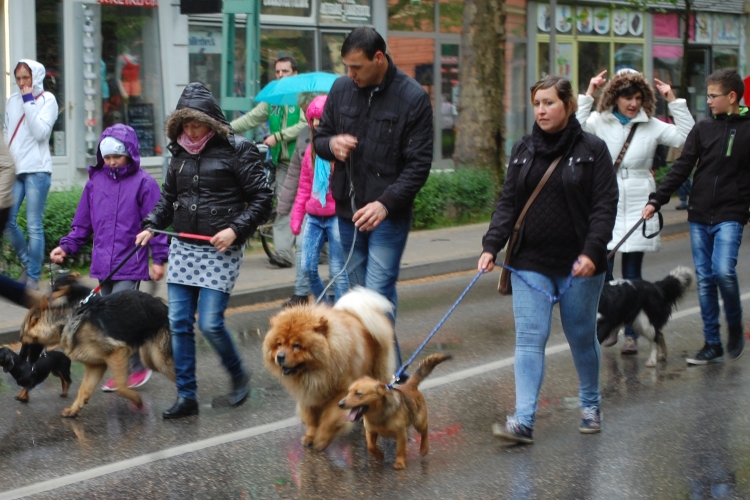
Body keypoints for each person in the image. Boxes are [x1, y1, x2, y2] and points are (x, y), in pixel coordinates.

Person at [479, 75, 617, 444]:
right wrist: (491, 245)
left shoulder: (593, 149)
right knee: (528, 338)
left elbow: (605, 207)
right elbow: (508, 203)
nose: (541, 110)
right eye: (537, 103)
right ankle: (523, 420)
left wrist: (591, 252)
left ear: (568, 105)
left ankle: (590, 403)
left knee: (581, 337)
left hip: (579, 266)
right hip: (530, 263)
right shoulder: (523, 149)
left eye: (549, 103)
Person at [138, 82, 273, 419]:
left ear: (211, 122)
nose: (191, 130)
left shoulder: (239, 149)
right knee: (178, 322)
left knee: (211, 323)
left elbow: (262, 199)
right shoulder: (179, 152)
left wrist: (235, 229)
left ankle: (239, 373)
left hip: (221, 247)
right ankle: (187, 396)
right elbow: (169, 199)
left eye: (197, 123)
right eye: (185, 124)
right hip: (184, 244)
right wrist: (150, 222)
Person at [312, 27, 433, 367]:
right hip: (347, 211)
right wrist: (332, 145)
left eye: (357, 67)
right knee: (352, 301)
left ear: (378, 58)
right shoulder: (341, 88)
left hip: (387, 216)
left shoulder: (412, 98)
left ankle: (385, 379)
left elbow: (419, 166)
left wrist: (385, 204)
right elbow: (320, 139)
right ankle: (380, 376)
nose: (350, 75)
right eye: (347, 67)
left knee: (375, 298)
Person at [578, 69, 694, 354]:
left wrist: (673, 100)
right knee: (602, 264)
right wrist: (588, 93)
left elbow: (688, 136)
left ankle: (632, 332)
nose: (633, 103)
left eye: (638, 98)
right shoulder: (599, 121)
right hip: (605, 195)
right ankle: (608, 323)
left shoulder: (651, 124)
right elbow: (574, 128)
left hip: (641, 198)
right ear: (615, 97)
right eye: (627, 97)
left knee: (632, 269)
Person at [49, 124, 169, 391]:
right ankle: (123, 367)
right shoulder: (95, 183)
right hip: (104, 265)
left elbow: (155, 226)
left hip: (131, 263)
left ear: (131, 153)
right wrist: (66, 247)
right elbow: (82, 224)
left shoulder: (144, 184)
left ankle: (134, 369)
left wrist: (158, 259)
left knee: (121, 320)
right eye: (108, 157)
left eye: (117, 156)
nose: (112, 162)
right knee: (106, 321)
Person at [643, 68, 750, 365]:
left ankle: (734, 324)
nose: (709, 101)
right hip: (700, 214)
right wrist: (657, 200)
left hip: (731, 212)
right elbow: (682, 167)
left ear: (731, 96)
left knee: (723, 272)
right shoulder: (703, 129)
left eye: (713, 96)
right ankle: (712, 344)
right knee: (705, 280)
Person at [231, 57, 307, 268]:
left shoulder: (304, 97)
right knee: (284, 206)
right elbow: (252, 118)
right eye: (278, 72)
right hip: (284, 163)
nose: (281, 75)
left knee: (313, 206)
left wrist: (278, 136)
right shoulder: (274, 98)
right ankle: (283, 254)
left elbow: (304, 124)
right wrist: (224, 128)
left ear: (295, 73)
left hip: (306, 160)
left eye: (286, 71)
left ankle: (324, 249)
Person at [3, 59, 59, 290]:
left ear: (35, 76)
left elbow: (40, 133)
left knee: (34, 225)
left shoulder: (48, 100)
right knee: (7, 220)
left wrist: (29, 101)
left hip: (37, 169)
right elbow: (7, 133)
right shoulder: (11, 101)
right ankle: (28, 264)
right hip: (14, 169)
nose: (22, 82)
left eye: (26, 77)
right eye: (18, 78)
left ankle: (33, 277)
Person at [290, 95, 349, 303]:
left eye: (321, 119)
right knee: (307, 267)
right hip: (313, 217)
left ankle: (340, 316)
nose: (316, 123)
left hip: (336, 217)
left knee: (338, 272)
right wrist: (297, 216)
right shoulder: (310, 152)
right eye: (313, 120)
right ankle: (324, 306)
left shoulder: (342, 150)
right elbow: (304, 186)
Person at [276, 92, 319, 307]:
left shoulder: (339, 131)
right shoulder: (303, 135)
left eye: (308, 110)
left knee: (340, 254)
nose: (306, 114)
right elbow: (294, 172)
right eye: (303, 111)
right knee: (302, 245)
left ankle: (338, 294)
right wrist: (285, 205)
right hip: (310, 205)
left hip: (336, 207)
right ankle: (301, 294)